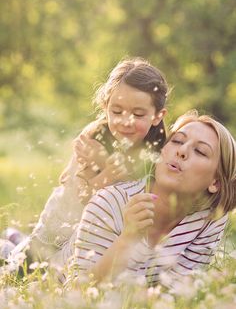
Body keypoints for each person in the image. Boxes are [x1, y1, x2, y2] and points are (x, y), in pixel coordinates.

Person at [2, 57, 169, 267]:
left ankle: (15, 238)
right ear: (105, 105)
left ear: (157, 116)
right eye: (116, 111)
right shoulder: (93, 139)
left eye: (138, 114)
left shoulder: (157, 152)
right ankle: (11, 244)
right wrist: (107, 173)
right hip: (60, 229)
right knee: (19, 268)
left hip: (97, 240)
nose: (125, 121)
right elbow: (83, 195)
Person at [68, 110, 236, 288]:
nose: (182, 151)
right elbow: (79, 290)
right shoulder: (111, 201)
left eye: (201, 151)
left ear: (215, 183)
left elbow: (176, 293)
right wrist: (128, 238)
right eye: (177, 140)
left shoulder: (210, 219)